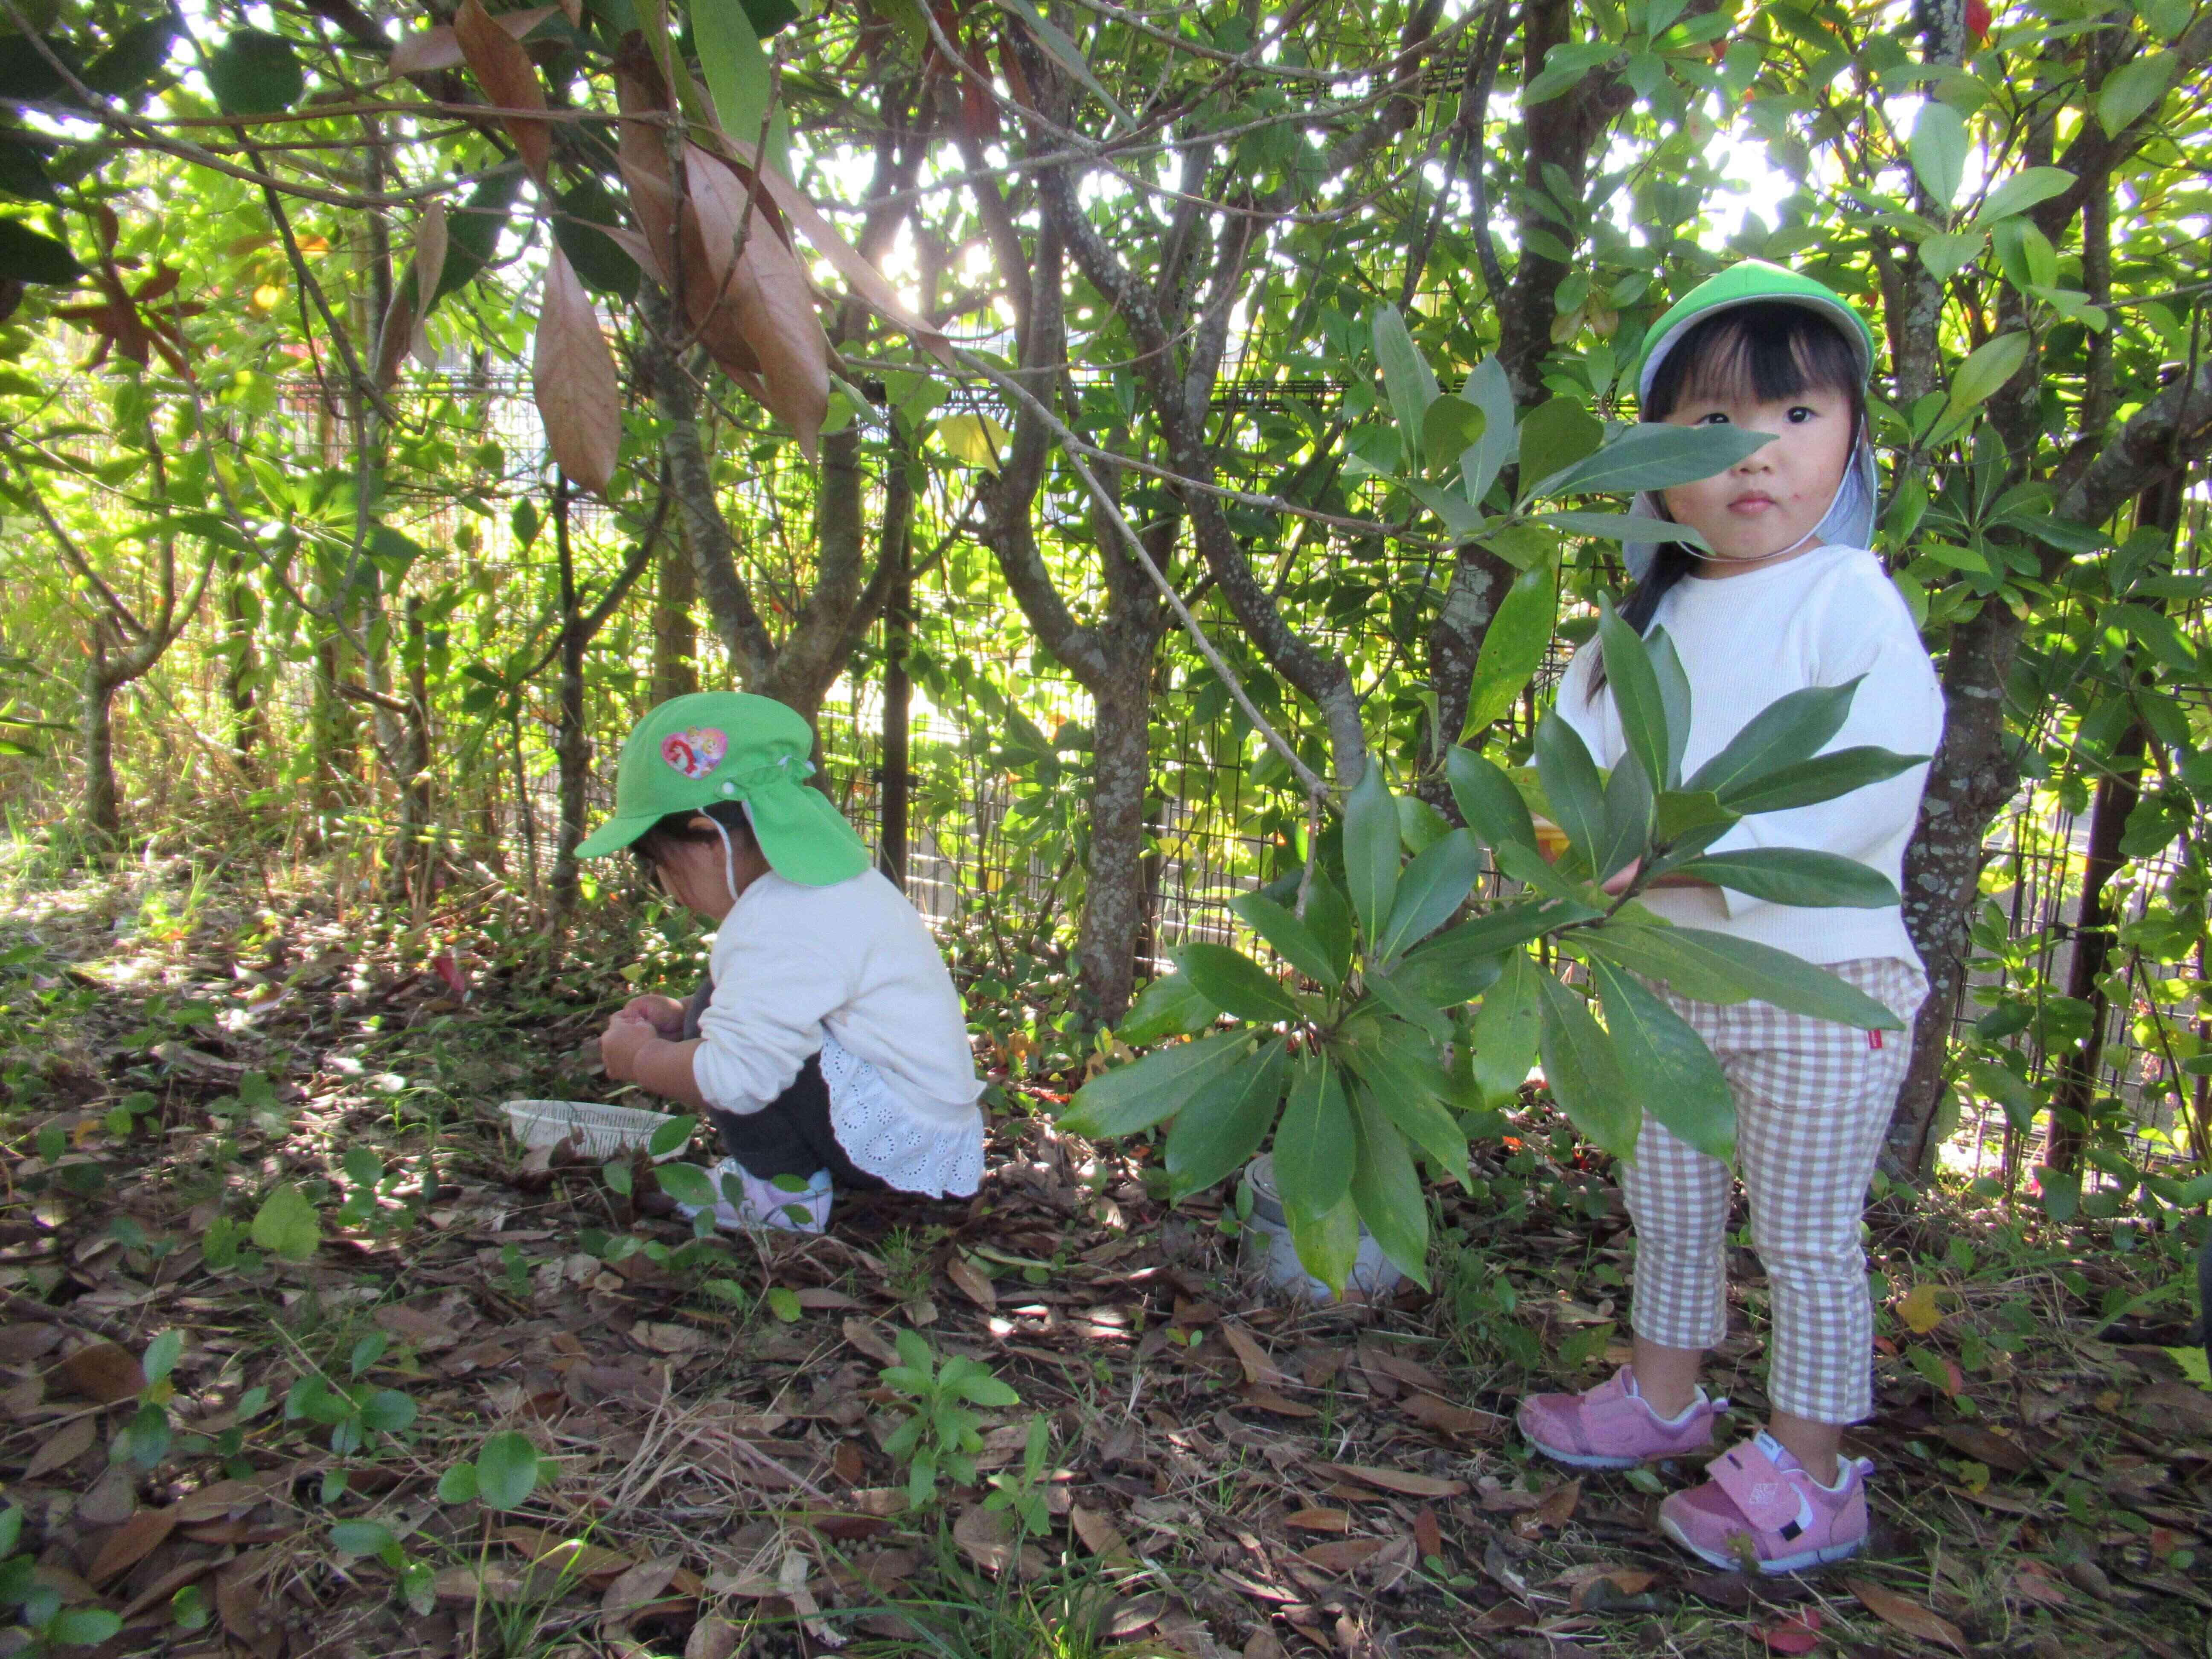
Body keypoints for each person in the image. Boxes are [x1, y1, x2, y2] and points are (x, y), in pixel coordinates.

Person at [1512, 262, 1944, 1574]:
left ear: (1853, 437)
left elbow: (1873, 771)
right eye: (1711, 428)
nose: (1756, 456)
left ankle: (1815, 1471)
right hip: (1661, 982)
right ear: (1657, 461)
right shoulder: (1633, 624)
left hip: (1825, 981)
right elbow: (1567, 779)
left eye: (1797, 418)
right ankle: (1662, 1393)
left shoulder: (1848, 599)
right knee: (1670, 1199)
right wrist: (1574, 862)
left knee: (1807, 1234)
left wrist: (1689, 871)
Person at [578, 691, 985, 1232]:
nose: (665, 887)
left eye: (661, 864)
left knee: (729, 1033)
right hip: (919, 1125)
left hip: (891, 1146)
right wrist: (684, 1021)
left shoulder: (781, 918)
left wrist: (641, 1060)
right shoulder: (822, 885)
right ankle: (786, 1178)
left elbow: (738, 1076)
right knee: (712, 1006)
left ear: (709, 839)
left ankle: (782, 1197)